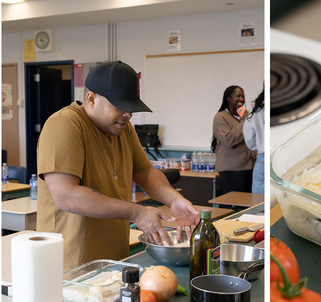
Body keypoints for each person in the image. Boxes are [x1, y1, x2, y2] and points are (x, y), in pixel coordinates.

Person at [37, 60, 200, 271]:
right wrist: (137, 213)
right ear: (92, 99)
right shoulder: (64, 124)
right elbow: (66, 195)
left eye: (131, 108)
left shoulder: (124, 129)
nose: (128, 114)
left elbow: (145, 174)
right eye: (120, 106)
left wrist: (174, 200)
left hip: (114, 262)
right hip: (70, 266)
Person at [211, 85, 255, 194]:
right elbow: (229, 140)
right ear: (228, 98)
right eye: (237, 96)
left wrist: (256, 149)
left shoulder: (245, 116)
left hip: (249, 166)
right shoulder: (220, 117)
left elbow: (253, 136)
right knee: (236, 202)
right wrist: (244, 122)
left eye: (243, 96)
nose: (241, 99)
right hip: (231, 169)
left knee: (249, 201)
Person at [244, 84, 265, 194]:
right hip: (283, 156)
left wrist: (258, 146)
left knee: (259, 200)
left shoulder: (257, 109)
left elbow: (249, 137)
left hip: (263, 158)